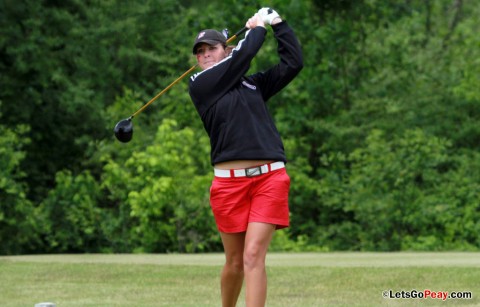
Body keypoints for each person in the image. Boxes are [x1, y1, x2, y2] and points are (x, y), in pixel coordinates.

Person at [188, 7, 303, 307]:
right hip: (228, 186)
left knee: (253, 255)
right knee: (235, 263)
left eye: (211, 49)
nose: (205, 55)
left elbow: (293, 63)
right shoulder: (201, 85)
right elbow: (243, 56)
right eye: (199, 52)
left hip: (269, 178)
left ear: (224, 50)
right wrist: (256, 29)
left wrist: (277, 24)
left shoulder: (253, 84)